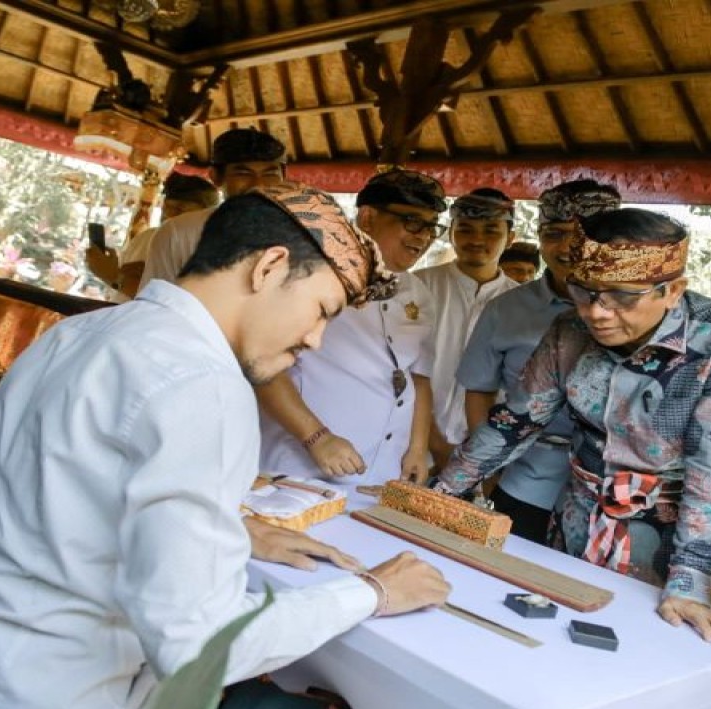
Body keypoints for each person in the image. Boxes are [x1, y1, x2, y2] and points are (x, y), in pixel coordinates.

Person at [0, 182, 451, 709]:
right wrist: (369, 593)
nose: (314, 340)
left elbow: (61, 496)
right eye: (323, 310)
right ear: (270, 267)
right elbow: (199, 644)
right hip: (49, 698)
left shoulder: (81, 333)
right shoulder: (202, 384)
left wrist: (231, 529)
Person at [438, 208, 711, 645]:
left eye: (621, 297)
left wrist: (690, 581)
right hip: (578, 521)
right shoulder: (569, 328)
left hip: (676, 544)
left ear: (672, 290)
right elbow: (515, 421)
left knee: (644, 647)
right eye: (584, 291)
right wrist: (441, 494)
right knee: (553, 634)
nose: (597, 312)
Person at [455, 180, 623, 542]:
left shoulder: (638, 308)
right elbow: (479, 390)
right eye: (554, 233)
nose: (567, 247)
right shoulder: (506, 309)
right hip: (523, 483)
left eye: (583, 236)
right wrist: (490, 472)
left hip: (612, 497)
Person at [257, 169, 447, 484]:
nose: (423, 236)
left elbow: (420, 379)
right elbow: (263, 366)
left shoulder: (419, 293)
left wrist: (416, 448)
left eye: (431, 227)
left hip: (386, 469)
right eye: (412, 221)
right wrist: (317, 438)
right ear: (368, 217)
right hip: (302, 464)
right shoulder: (310, 275)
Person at [415, 188, 520, 468]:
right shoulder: (416, 287)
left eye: (490, 230)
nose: (477, 239)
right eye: (466, 229)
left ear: (511, 238)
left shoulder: (522, 304)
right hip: (410, 447)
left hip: (486, 460)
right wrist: (434, 442)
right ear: (451, 233)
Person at [139, 128, 286, 290]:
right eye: (243, 173)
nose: (259, 185)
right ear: (215, 177)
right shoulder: (179, 234)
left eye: (270, 174)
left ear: (284, 178)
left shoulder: (306, 232)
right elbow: (155, 307)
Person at [87, 173, 219, 301]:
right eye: (166, 207)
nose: (169, 214)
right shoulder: (146, 236)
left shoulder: (207, 251)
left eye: (180, 209)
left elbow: (161, 298)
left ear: (205, 215)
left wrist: (113, 276)